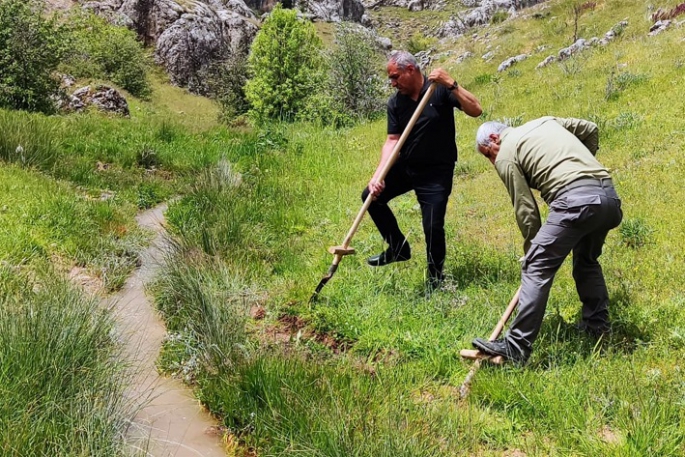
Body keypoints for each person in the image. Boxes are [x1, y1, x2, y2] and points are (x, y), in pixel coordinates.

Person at [471, 116, 623, 363]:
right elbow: (591, 129)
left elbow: (525, 208)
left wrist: (533, 251)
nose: (492, 161)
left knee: (536, 267)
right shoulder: (545, 122)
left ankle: (516, 346)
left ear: (494, 138)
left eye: (489, 154)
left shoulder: (507, 153)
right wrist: (579, 165)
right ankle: (598, 329)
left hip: (575, 203)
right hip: (607, 198)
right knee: (586, 261)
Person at [363, 50, 482, 290]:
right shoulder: (396, 102)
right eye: (391, 78)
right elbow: (392, 140)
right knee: (370, 196)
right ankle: (398, 248)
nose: (393, 83)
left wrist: (452, 84)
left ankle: (435, 279)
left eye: (395, 77)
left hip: (436, 172)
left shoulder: (438, 90)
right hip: (406, 167)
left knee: (432, 225)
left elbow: (476, 109)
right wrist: (379, 176)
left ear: (411, 70)